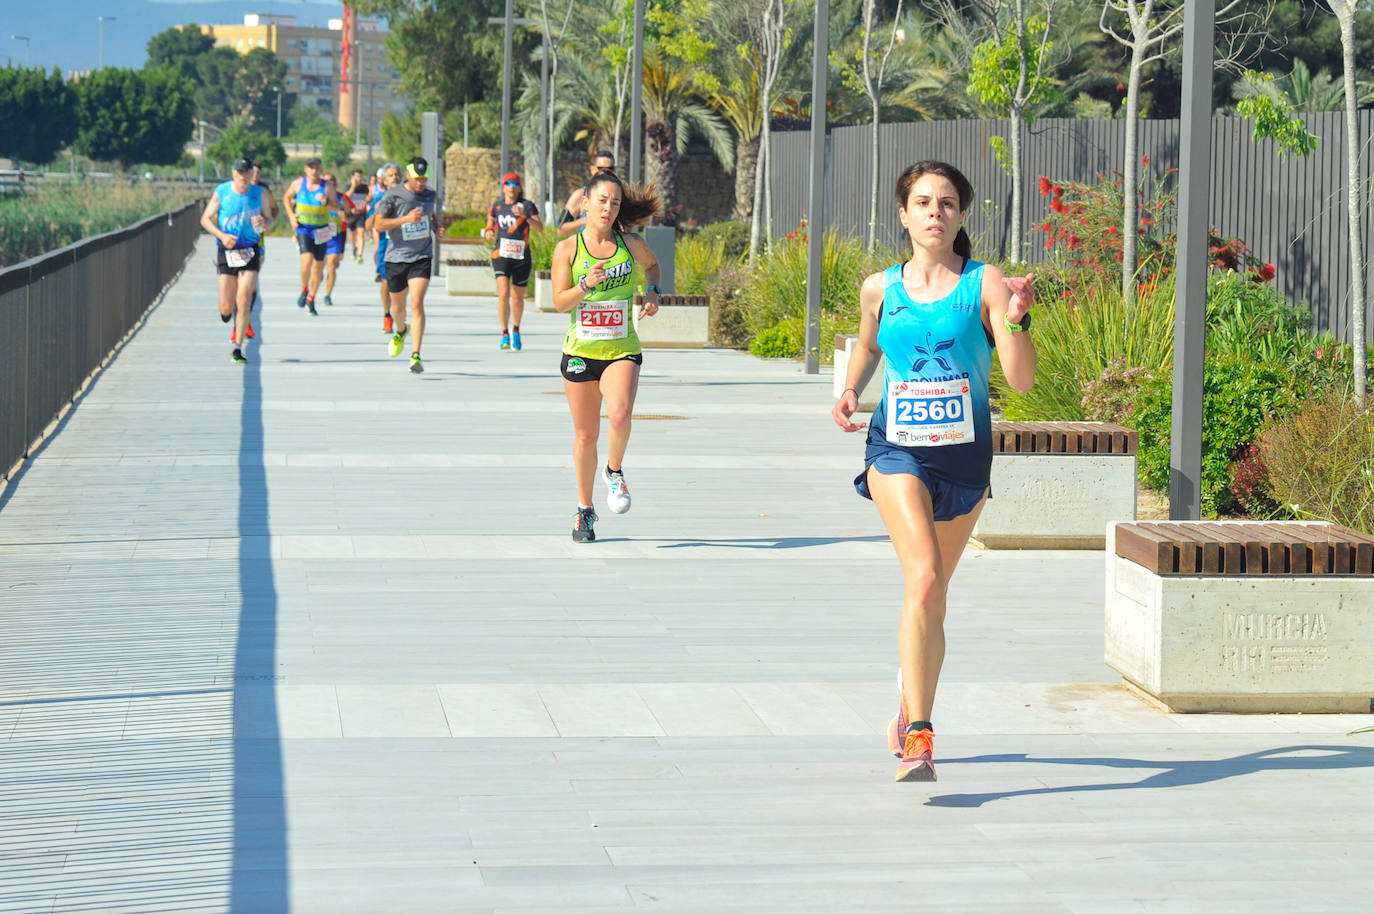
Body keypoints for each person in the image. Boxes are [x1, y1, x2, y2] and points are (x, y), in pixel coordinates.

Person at [831, 160, 1037, 783]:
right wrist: (850, 389)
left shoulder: (987, 284)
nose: (935, 213)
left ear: (961, 215)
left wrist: (1021, 319)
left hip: (966, 457)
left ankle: (908, 694)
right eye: (923, 202)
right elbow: (868, 343)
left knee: (935, 594)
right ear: (903, 213)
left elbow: (1022, 381)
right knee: (921, 578)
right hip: (896, 448)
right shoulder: (879, 287)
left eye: (947, 203)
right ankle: (920, 732)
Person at [551, 170, 662, 543]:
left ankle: (614, 471)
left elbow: (653, 267)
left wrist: (653, 293)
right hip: (581, 352)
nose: (608, 208)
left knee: (620, 414)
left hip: (621, 349)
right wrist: (585, 284)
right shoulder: (568, 249)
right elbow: (558, 302)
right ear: (586, 203)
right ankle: (585, 511)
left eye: (615, 203)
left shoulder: (630, 243)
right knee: (586, 435)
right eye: (602, 201)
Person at [199, 157, 276, 364]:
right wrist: (221, 235)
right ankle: (226, 314)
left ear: (252, 174)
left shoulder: (260, 194)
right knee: (226, 306)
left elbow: (270, 223)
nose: (243, 176)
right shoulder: (222, 192)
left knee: (243, 299)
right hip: (227, 250)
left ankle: (237, 347)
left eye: (246, 172)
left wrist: (265, 222)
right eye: (239, 172)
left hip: (250, 250)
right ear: (234, 173)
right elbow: (205, 219)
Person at [373, 157, 438, 374]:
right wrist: (405, 220)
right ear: (409, 175)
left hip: (421, 255)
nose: (421, 183)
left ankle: (415, 355)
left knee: (417, 303)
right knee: (398, 308)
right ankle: (401, 330)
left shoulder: (430, 195)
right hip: (396, 257)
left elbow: (432, 215)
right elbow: (379, 224)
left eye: (424, 178)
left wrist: (437, 228)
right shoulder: (393, 195)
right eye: (417, 178)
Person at [484, 172, 542, 351]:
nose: (511, 187)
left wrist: (525, 216)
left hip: (521, 257)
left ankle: (515, 329)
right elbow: (490, 220)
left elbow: (539, 227)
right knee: (503, 294)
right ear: (503, 187)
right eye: (508, 183)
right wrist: (488, 230)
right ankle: (504, 334)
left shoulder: (527, 205)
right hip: (501, 254)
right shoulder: (498, 206)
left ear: (519, 188)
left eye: (515, 183)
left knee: (517, 298)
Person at [283, 155, 344, 316]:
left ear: (320, 169)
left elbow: (336, 207)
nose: (314, 170)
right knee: (306, 261)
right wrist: (291, 216)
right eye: (311, 167)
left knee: (318, 268)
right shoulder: (298, 184)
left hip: (322, 230)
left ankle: (311, 298)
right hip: (304, 229)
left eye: (317, 167)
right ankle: (304, 288)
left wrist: (326, 202)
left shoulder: (328, 187)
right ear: (305, 169)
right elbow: (286, 197)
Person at [245, 160, 279, 339]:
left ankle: (246, 320)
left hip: (258, 241)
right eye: (253, 172)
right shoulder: (237, 190)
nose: (255, 176)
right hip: (237, 242)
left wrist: (267, 222)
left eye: (258, 173)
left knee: (251, 281)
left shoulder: (263, 191)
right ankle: (239, 319)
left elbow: (275, 209)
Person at [366, 163, 401, 333]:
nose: (395, 177)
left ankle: (399, 312)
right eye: (391, 175)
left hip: (405, 247)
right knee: (387, 283)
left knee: (402, 287)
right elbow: (367, 225)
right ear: (384, 181)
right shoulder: (379, 200)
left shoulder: (407, 198)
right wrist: (375, 212)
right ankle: (387, 315)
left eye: (397, 174)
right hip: (386, 248)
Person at [557, 150, 616, 239]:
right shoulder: (580, 195)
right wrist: (585, 220)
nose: (606, 173)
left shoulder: (620, 196)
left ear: (614, 170)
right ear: (592, 169)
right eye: (601, 169)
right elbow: (561, 230)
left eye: (610, 169)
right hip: (586, 249)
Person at [319, 171, 352, 308]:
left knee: (332, 266)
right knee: (317, 268)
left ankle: (327, 295)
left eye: (331, 181)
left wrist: (345, 216)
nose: (329, 183)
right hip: (318, 235)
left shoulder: (342, 199)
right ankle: (315, 282)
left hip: (335, 235)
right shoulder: (316, 197)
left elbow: (350, 218)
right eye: (326, 181)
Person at [345, 168, 370, 263]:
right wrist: (353, 186)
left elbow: (369, 197)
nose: (359, 178)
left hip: (361, 214)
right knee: (352, 235)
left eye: (360, 176)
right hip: (351, 214)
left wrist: (366, 202)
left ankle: (360, 254)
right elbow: (346, 197)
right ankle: (354, 248)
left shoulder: (365, 187)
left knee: (361, 233)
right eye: (357, 176)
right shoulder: (349, 187)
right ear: (353, 177)